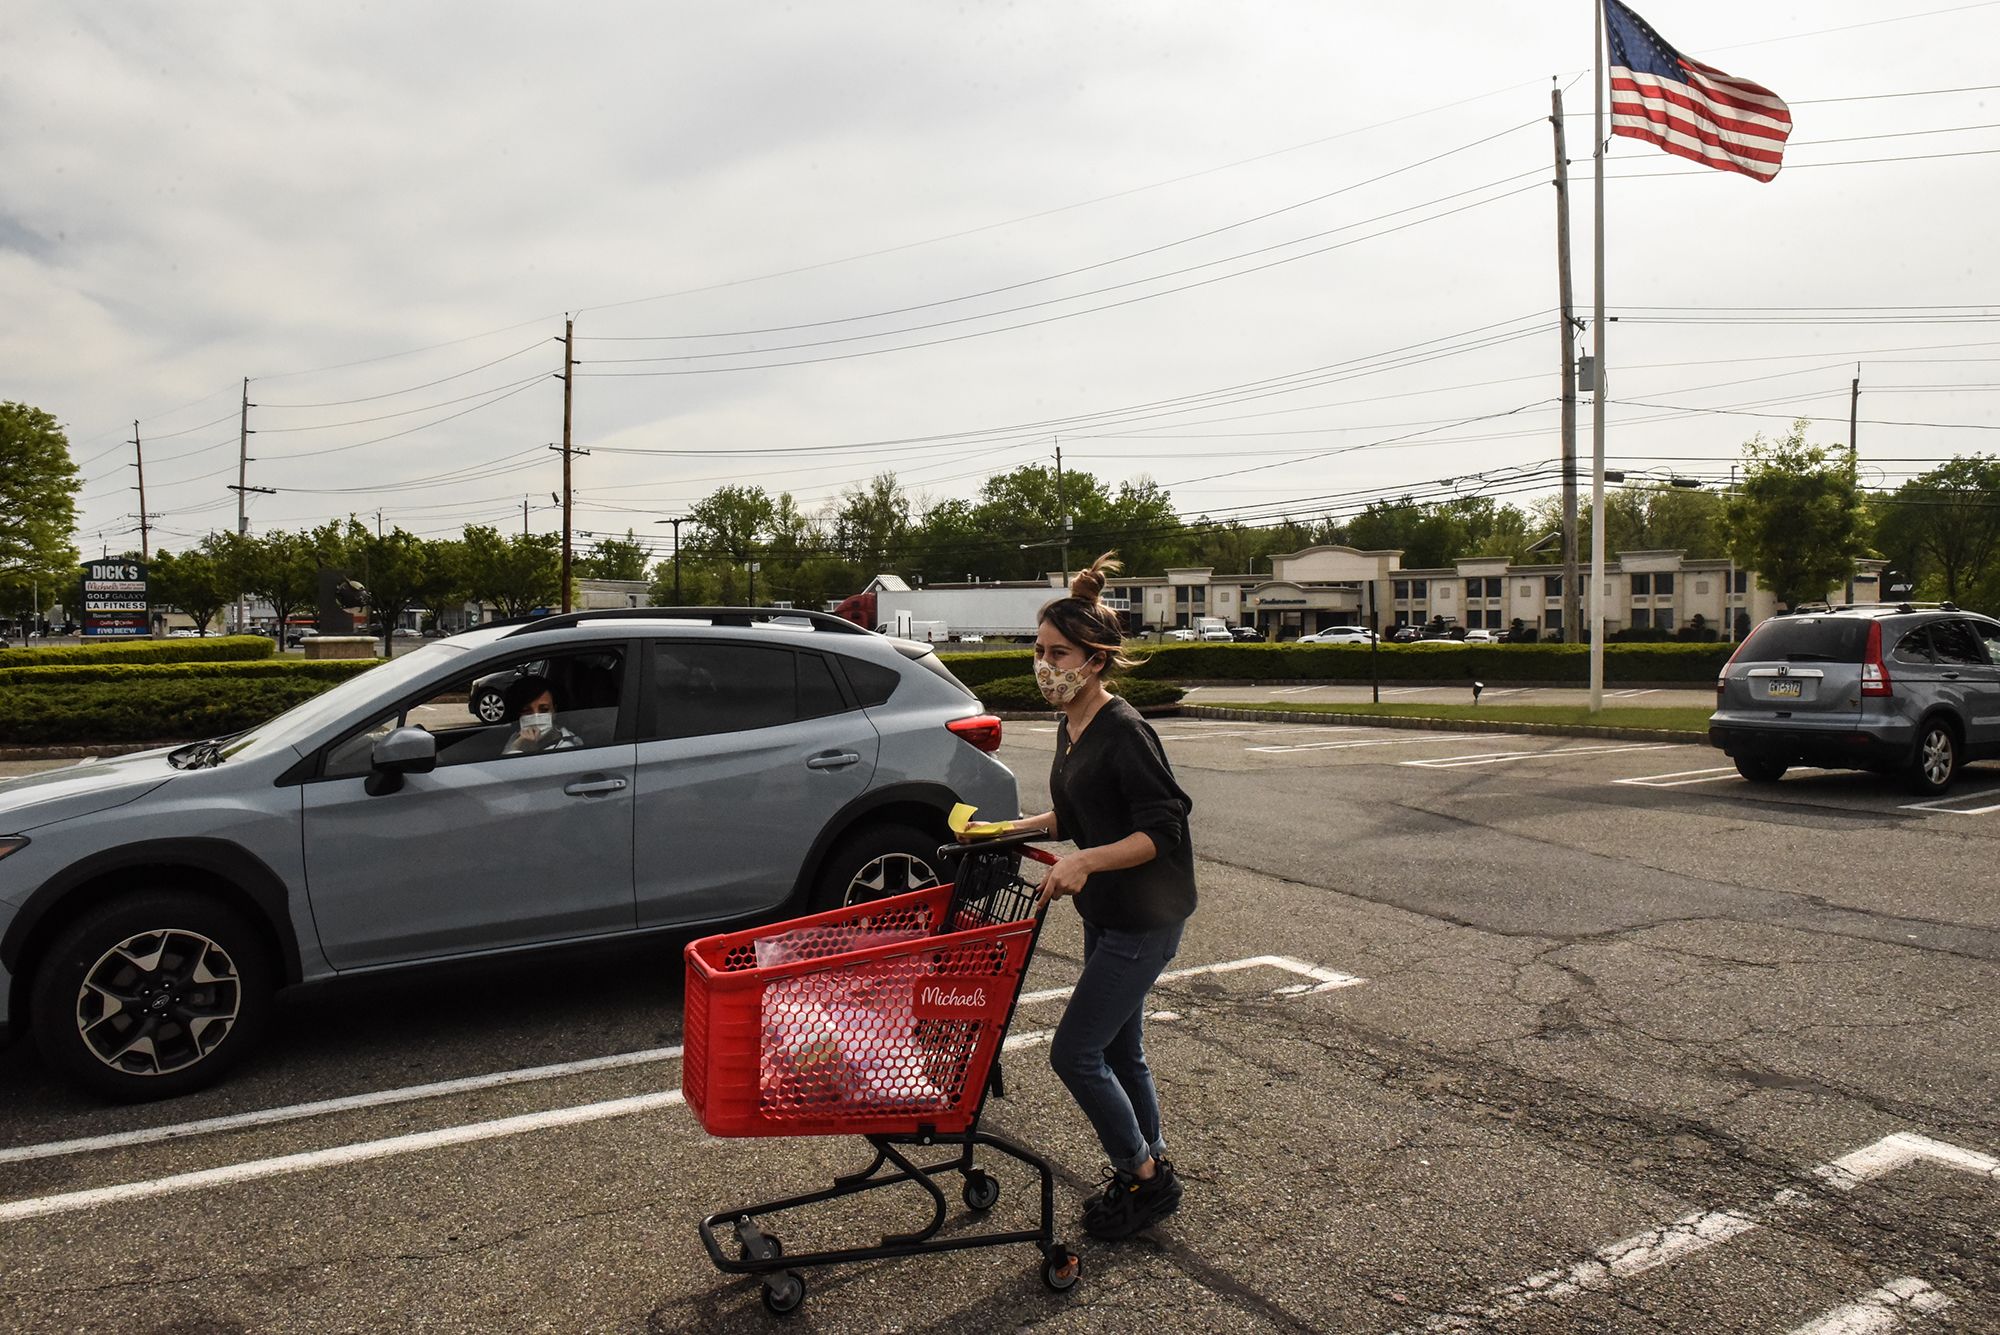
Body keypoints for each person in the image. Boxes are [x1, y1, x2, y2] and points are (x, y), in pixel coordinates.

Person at [998, 552, 1198, 1241]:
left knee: (1075, 1052)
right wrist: (1007, 828)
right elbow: (1077, 812)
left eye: (1058, 653)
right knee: (1119, 1050)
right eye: (1039, 649)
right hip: (1108, 912)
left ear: (1096, 660)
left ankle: (1143, 1176)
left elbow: (1161, 830)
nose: (1044, 664)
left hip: (1147, 915)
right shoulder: (1070, 724)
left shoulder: (1125, 731)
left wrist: (1084, 862)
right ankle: (1153, 1162)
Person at [499, 674, 583, 756]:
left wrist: (527, 751)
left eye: (544, 710)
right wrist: (517, 746)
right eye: (527, 711)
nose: (536, 716)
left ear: (554, 711)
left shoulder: (568, 747)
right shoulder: (517, 736)